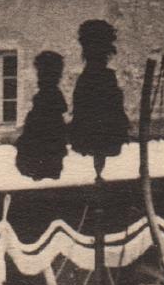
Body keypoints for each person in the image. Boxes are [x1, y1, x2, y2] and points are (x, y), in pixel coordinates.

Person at [68, 19, 130, 180]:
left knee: (98, 145)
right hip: (99, 118)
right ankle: (99, 172)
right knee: (100, 145)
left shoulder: (91, 76)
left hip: (96, 118)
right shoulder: (103, 76)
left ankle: (98, 172)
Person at [14, 51, 68, 181]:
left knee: (43, 158)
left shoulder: (46, 91)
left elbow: (60, 107)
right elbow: (62, 107)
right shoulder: (52, 91)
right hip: (49, 128)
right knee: (48, 159)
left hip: (42, 127)